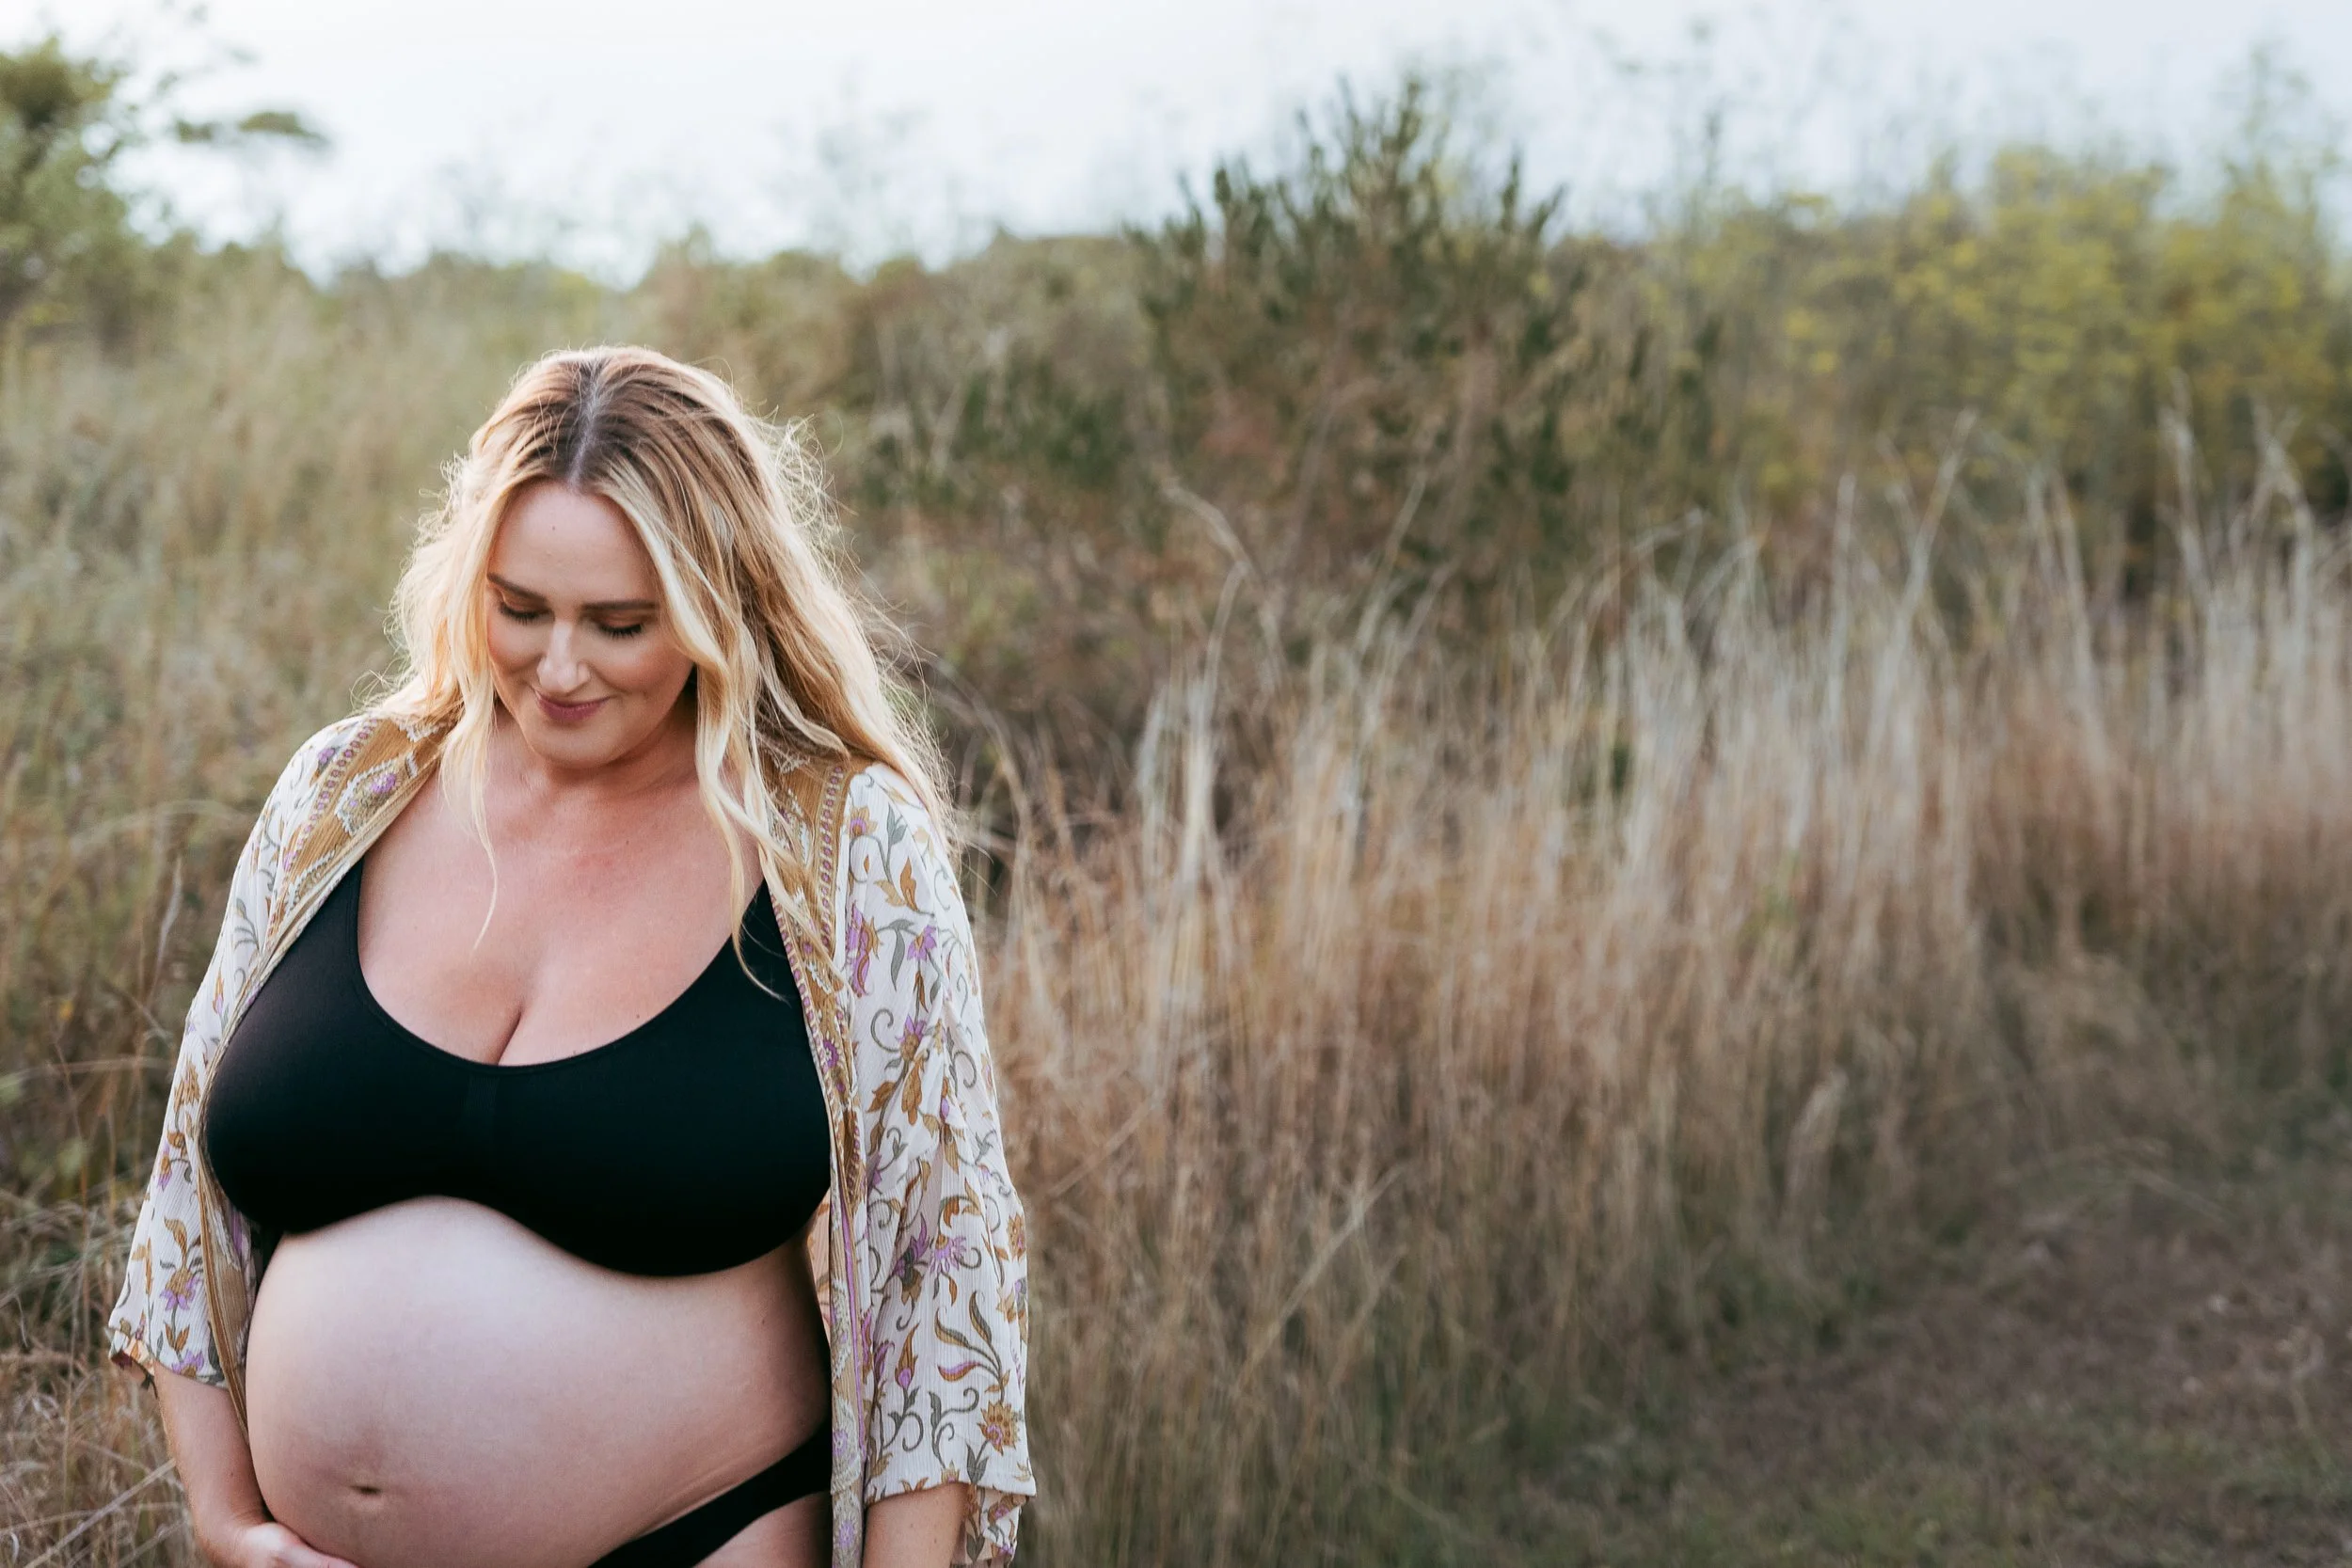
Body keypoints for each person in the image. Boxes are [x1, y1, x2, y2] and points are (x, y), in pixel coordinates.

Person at [104, 346, 1033, 1568]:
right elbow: (188, 1187)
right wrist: (226, 1518)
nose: (558, 667)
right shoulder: (347, 793)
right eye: (521, 608)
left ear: (719, 602)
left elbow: (940, 1275)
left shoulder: (846, 848)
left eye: (619, 624)